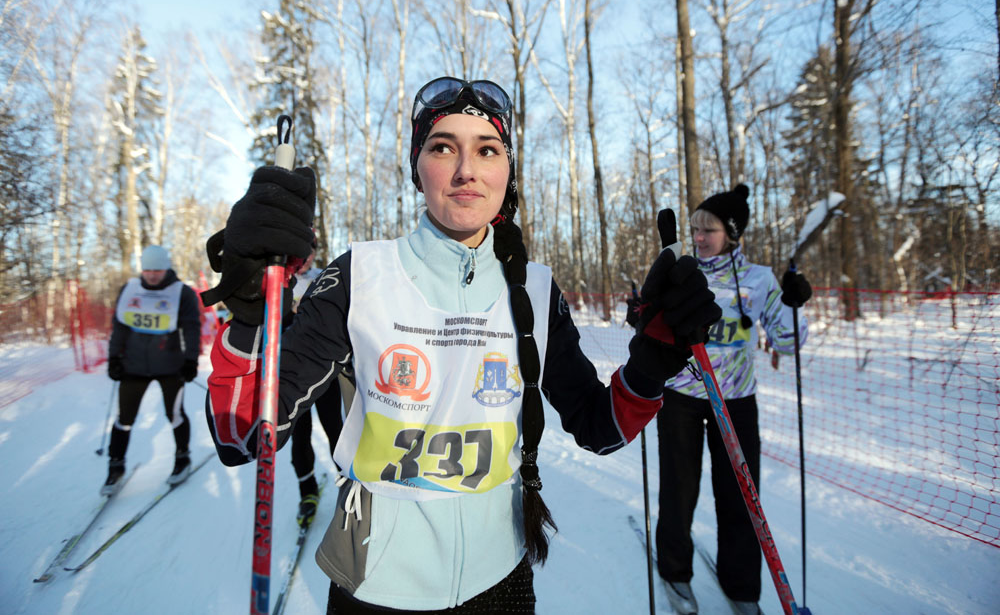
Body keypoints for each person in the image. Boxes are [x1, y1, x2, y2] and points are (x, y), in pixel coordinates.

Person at [201, 76, 721, 613]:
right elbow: (241, 437)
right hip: (376, 584)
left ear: (506, 172)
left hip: (502, 580)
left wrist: (654, 360)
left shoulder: (537, 290)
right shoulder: (361, 276)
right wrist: (246, 314)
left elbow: (599, 427)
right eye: (443, 147)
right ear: (417, 169)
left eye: (487, 150)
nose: (466, 169)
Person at [640, 184, 812, 615]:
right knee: (679, 490)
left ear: (732, 233)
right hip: (682, 394)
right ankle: (676, 572)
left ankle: (742, 585)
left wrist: (793, 303)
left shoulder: (758, 280)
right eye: (695, 228)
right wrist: (641, 314)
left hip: (736, 401)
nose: (698, 238)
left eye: (708, 230)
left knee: (740, 494)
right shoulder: (682, 271)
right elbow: (652, 324)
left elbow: (788, 343)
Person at [103, 244, 202, 494]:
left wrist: (191, 361)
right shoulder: (130, 289)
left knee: (175, 414)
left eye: (157, 269)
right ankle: (115, 468)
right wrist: (114, 358)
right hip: (133, 366)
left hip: (171, 365)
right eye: (147, 269)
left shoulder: (182, 293)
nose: (152, 274)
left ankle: (182, 459)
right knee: (124, 418)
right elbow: (120, 327)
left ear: (166, 267)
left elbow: (191, 329)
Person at [287, 241, 346, 527]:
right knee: (300, 434)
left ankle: (349, 486)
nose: (306, 259)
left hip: (324, 369)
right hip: (293, 372)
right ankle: (307, 493)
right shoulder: (279, 281)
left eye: (309, 253)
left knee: (335, 426)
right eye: (301, 254)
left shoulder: (326, 278)